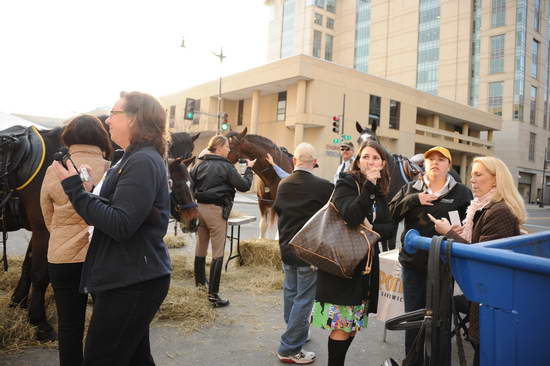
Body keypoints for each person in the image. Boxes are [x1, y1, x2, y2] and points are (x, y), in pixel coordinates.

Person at [52, 91, 172, 366]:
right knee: (135, 359)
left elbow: (120, 224)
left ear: (134, 119)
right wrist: (89, 192)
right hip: (130, 276)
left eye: (114, 114)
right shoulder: (131, 158)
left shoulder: (142, 161)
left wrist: (75, 191)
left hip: (132, 282)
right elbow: (120, 212)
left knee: (100, 358)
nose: (107, 120)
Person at [428, 156, 526, 366]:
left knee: (485, 355)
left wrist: (448, 234)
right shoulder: (484, 207)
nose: (472, 180)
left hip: (492, 300)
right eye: (471, 175)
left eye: (479, 175)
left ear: (496, 180)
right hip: (487, 297)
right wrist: (458, 234)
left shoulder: (499, 211)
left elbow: (480, 256)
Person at [311, 140, 395, 366]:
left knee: (352, 327)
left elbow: (389, 229)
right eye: (366, 157)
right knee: (341, 326)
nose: (370, 161)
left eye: (376, 158)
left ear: (383, 163)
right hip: (342, 265)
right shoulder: (346, 183)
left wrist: (370, 229)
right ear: (358, 161)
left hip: (365, 269)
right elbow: (352, 216)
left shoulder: (380, 191)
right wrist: (368, 186)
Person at [388, 146, 472, 366]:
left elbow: (470, 226)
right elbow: (391, 214)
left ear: (449, 166)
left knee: (440, 321)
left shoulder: (461, 193)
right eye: (430, 159)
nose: (435, 162)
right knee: (414, 320)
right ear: (423, 164)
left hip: (444, 266)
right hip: (413, 265)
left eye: (441, 159)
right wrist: (415, 199)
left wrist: (458, 231)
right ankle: (414, 362)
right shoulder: (410, 188)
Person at [40, 114, 112, 366]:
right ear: (101, 137)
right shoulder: (109, 168)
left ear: (68, 138)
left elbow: (46, 213)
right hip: (101, 257)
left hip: (62, 258)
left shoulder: (54, 170)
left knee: (69, 325)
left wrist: (61, 234)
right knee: (103, 325)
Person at [273, 143, 333, 364]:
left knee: (291, 293)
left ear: (294, 161)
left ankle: (295, 332)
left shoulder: (283, 183)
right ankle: (289, 348)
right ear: (314, 161)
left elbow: (278, 210)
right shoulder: (324, 186)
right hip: (309, 252)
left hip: (286, 248)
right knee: (305, 300)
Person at [190, 135, 256, 307]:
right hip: (216, 211)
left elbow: (190, 185)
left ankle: (199, 284)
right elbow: (243, 186)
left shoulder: (200, 163)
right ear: (219, 147)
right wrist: (249, 170)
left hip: (200, 209)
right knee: (218, 251)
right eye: (227, 146)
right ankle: (213, 295)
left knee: (200, 246)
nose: (229, 149)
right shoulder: (226, 167)